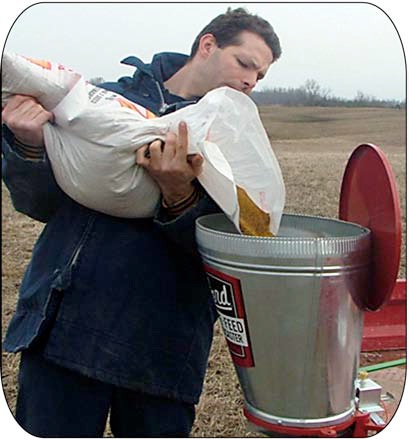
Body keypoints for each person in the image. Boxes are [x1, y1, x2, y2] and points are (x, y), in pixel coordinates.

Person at [2, 7, 281, 437]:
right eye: (245, 64)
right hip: (64, 331)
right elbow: (41, 204)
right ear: (208, 45)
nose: (250, 81)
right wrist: (31, 148)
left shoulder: (236, 143)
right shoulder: (100, 101)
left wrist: (179, 196)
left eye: (260, 77)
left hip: (163, 350)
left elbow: (234, 250)